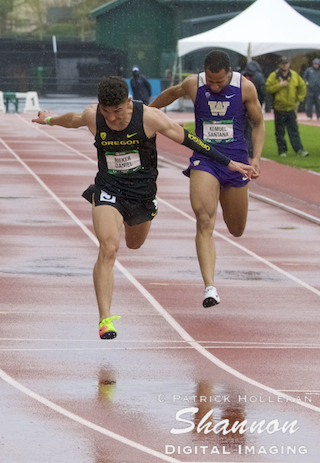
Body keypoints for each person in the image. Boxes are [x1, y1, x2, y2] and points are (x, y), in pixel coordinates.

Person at [34, 76, 253, 339]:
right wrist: (48, 119)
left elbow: (190, 140)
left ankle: (134, 221)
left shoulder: (149, 118)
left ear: (128, 102)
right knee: (108, 247)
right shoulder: (94, 116)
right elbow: (71, 120)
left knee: (134, 244)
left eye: (117, 111)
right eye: (107, 112)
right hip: (109, 188)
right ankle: (105, 319)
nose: (113, 119)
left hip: (141, 194)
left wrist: (229, 163)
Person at [150, 50, 265, 309]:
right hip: (206, 160)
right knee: (204, 219)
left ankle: (211, 281)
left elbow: (259, 123)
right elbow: (171, 93)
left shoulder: (245, 88)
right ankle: (210, 287)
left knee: (236, 229)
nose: (214, 86)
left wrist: (255, 158)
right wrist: (147, 111)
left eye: (219, 82)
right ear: (205, 72)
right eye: (210, 81)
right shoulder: (194, 83)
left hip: (236, 161)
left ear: (229, 74)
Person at [265, 56, 308, 157]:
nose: (285, 65)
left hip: (291, 108)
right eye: (282, 63)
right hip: (279, 108)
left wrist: (299, 100)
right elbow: (268, 89)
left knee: (294, 130)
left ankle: (299, 149)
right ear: (279, 65)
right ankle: (282, 151)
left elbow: (302, 87)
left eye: (286, 63)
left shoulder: (294, 75)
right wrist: (279, 85)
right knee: (280, 132)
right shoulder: (273, 76)